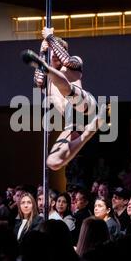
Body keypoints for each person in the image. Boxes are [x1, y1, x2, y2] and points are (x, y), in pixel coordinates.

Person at [21, 27, 106, 171]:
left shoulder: (74, 64)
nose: (54, 54)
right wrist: (42, 52)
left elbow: (67, 60)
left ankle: (47, 68)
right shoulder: (43, 81)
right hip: (73, 123)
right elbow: (38, 80)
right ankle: (87, 134)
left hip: (85, 105)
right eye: (51, 52)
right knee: (53, 162)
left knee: (66, 89)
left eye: (57, 51)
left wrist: (50, 38)